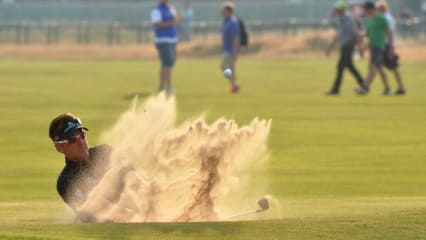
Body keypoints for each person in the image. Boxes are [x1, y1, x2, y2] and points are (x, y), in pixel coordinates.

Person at [49, 113, 144, 222]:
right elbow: (98, 211)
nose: (81, 142)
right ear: (59, 147)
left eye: (82, 135)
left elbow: (136, 180)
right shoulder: (66, 181)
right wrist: (142, 217)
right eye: (72, 140)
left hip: (138, 212)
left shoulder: (105, 152)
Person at [325, 0, 364, 95]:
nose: (335, 11)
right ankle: (364, 84)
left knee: (341, 67)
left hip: (349, 46)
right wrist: (330, 47)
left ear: (342, 9)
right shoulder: (340, 19)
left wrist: (360, 48)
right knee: (349, 67)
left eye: (337, 9)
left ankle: (335, 89)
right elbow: (338, 35)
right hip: (343, 47)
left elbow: (356, 33)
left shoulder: (348, 19)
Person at [355, 1, 395, 95]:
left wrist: (391, 47)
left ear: (372, 9)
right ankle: (387, 89)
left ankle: (364, 87)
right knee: (379, 69)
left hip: (379, 47)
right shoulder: (369, 19)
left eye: (367, 11)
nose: (366, 13)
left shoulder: (382, 19)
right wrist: (361, 35)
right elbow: (368, 33)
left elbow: (389, 33)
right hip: (372, 46)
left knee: (373, 68)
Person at [376, 0, 406, 95]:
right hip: (383, 45)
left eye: (380, 8)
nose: (379, 10)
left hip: (387, 45)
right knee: (380, 66)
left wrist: (392, 48)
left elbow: (391, 33)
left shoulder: (387, 18)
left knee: (393, 66)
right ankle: (389, 87)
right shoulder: (382, 18)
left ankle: (399, 87)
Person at [151, 0, 178, 93]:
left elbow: (175, 19)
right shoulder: (157, 10)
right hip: (163, 40)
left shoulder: (171, 8)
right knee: (167, 63)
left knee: (168, 64)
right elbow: (157, 24)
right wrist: (171, 23)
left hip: (172, 39)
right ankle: (166, 86)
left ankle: (163, 86)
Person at [221, 1, 240, 94]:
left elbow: (235, 38)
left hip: (230, 50)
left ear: (228, 12)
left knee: (224, 67)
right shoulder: (226, 22)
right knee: (230, 68)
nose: (222, 12)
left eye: (223, 11)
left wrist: (235, 52)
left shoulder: (233, 22)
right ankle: (234, 86)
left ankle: (235, 85)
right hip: (226, 49)